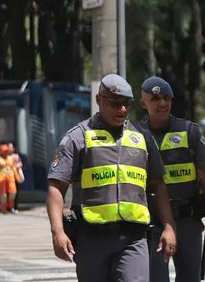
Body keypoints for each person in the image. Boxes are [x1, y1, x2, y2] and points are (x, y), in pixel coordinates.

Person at [46, 74, 178, 282]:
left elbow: (158, 185)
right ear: (99, 100)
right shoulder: (78, 137)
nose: (122, 110)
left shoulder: (142, 137)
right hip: (91, 238)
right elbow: (56, 186)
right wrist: (57, 232)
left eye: (126, 104)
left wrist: (169, 226)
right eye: (115, 104)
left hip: (134, 238)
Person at [136, 76, 205, 282]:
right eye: (156, 99)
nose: (163, 103)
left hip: (188, 222)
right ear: (143, 103)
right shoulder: (137, 135)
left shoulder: (188, 132)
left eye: (167, 98)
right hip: (153, 224)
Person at [0, 143, 20, 214]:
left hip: (11, 178)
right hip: (2, 179)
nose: (6, 152)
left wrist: (17, 177)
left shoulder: (10, 158)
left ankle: (11, 207)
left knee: (13, 192)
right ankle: (4, 209)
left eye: (7, 151)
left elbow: (14, 168)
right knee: (3, 195)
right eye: (4, 151)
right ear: (1, 151)